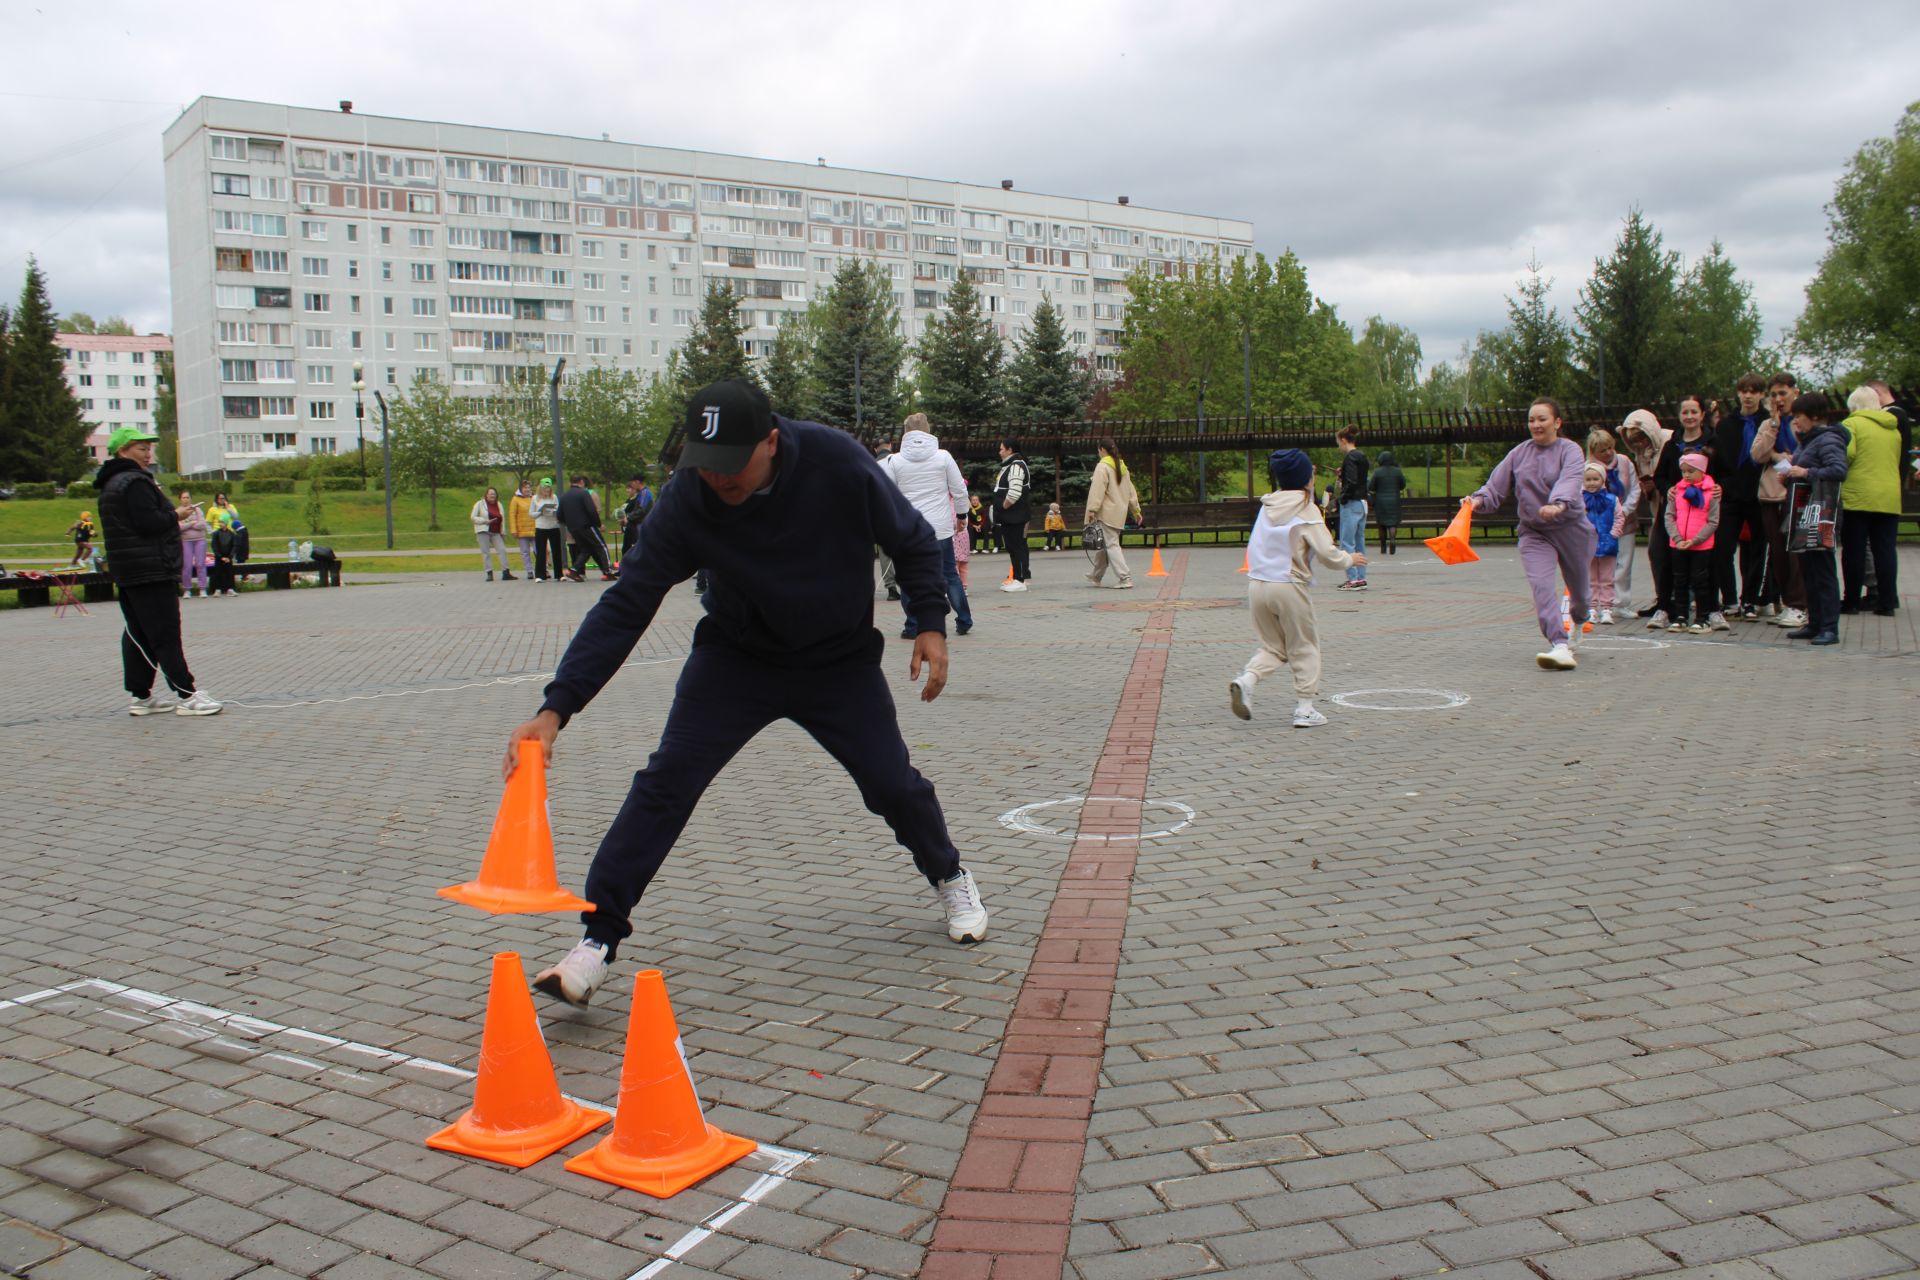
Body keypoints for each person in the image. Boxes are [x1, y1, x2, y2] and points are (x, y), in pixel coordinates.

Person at [507, 380, 989, 1008]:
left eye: (732, 467)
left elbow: (912, 541)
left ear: (771, 441)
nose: (719, 481)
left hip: (836, 662)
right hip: (736, 660)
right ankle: (595, 943)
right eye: (705, 468)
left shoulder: (836, 462)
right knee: (665, 782)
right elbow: (627, 603)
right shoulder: (688, 499)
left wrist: (930, 623)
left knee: (891, 783)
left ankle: (949, 874)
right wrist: (555, 710)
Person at [1228, 449, 1365, 728]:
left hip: (1257, 585)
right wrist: (1350, 559)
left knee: (1274, 646)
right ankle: (1305, 708)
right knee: (1304, 645)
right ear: (1305, 478)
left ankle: (1247, 680)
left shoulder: (1267, 506)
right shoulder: (1306, 508)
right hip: (1288, 585)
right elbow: (1327, 554)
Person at [94, 427, 221, 716]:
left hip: (128, 568)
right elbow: (148, 523)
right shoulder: (135, 482)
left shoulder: (111, 483)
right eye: (141, 448)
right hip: (150, 568)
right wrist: (175, 514)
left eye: (149, 448)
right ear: (123, 450)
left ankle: (141, 696)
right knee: (164, 631)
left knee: (137, 632)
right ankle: (188, 695)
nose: (148, 453)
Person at [1466, 398, 1595, 670]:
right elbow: (1495, 485)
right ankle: (1559, 644)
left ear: (1557, 423)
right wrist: (1477, 501)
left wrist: (1558, 504)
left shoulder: (1570, 450)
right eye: (1531, 420)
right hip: (1535, 532)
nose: (1535, 425)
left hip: (1571, 528)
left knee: (1581, 593)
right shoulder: (1519, 453)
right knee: (1542, 587)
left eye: (1542, 419)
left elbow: (1571, 480)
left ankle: (1579, 621)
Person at [881, 414, 973, 638]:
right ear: (928, 430)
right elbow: (959, 489)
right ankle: (964, 619)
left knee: (909, 577)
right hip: (940, 528)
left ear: (905, 433)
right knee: (949, 574)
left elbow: (886, 495)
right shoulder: (943, 457)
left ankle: (913, 625)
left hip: (910, 529)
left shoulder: (895, 461)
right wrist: (962, 515)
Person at [1783, 392, 1849, 645]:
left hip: (1822, 513)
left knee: (1822, 569)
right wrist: (1791, 475)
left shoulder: (1828, 439)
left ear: (1814, 416)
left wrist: (1806, 471)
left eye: (1799, 416)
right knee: (1808, 570)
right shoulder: (1808, 440)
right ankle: (1815, 622)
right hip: (1806, 510)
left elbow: (1838, 470)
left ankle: (1829, 627)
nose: (1796, 421)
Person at [1645, 395, 1715, 630]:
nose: (1689, 417)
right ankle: (1667, 608)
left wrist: (1716, 488)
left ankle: (1708, 612)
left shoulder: (1712, 441)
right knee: (1663, 557)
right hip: (1674, 512)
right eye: (1685, 412)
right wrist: (1669, 490)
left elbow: (1724, 471)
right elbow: (1659, 476)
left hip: (1702, 513)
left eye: (1694, 412)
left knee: (1700, 569)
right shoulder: (1672, 444)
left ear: (1702, 414)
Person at [1712, 374, 1772, 617]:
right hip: (1731, 494)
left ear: (1761, 395)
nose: (1748, 396)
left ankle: (1750, 599)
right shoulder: (1726, 425)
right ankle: (1729, 599)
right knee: (1723, 548)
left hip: (1759, 493)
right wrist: (1722, 485)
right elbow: (1719, 459)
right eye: (1744, 391)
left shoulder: (1768, 423)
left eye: (1753, 391)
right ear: (1738, 393)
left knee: (1758, 548)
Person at [1838, 385, 1901, 616]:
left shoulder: (1851, 424)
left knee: (1854, 550)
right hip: (1889, 497)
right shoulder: (1892, 428)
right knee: (1885, 551)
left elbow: (1847, 455)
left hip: (1859, 496)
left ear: (1853, 405)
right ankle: (1887, 602)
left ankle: (1851, 601)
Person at [1618, 409, 1670, 619]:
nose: (1638, 443)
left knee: (1675, 555)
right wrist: (1648, 488)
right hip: (1658, 508)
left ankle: (1681, 600)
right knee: (1656, 553)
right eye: (1633, 440)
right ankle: (1663, 599)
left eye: (1641, 438)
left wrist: (1657, 483)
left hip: (1677, 508)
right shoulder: (1640, 453)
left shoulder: (1668, 442)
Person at [1664, 453, 1721, 634]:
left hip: (1701, 546)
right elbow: (1669, 516)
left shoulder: (1711, 492)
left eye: (1691, 471)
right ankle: (1681, 616)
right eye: (1683, 472)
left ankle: (1702, 617)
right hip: (1679, 544)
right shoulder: (1677, 491)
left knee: (1700, 581)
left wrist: (1696, 540)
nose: (1686, 475)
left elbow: (1713, 521)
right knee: (1679, 580)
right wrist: (1678, 539)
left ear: (1702, 471)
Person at [1586, 429, 1639, 612]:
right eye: (1602, 450)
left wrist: (1622, 512)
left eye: (1610, 448)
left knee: (1624, 563)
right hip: (1598, 526)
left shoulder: (1624, 462)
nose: (1608, 453)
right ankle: (1597, 603)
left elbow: (1635, 489)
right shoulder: (1588, 468)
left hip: (1625, 519)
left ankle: (1621, 603)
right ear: (1593, 452)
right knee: (1599, 567)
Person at [1084, 438, 1142, 589]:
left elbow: (1097, 490)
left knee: (1111, 545)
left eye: (1098, 450)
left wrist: (1092, 509)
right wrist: (1136, 510)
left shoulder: (1102, 467)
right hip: (1119, 513)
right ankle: (1096, 576)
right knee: (1105, 545)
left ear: (1102, 449)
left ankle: (1125, 577)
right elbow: (1131, 491)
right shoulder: (1122, 466)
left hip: (1106, 513)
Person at [993, 439, 1034, 591]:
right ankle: (1016, 577)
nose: (1000, 452)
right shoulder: (1010, 465)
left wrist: (1004, 506)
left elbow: (1015, 491)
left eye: (1001, 449)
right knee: (1013, 547)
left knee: (1017, 547)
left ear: (1010, 450)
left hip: (1015, 516)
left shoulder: (1016, 465)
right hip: (1010, 517)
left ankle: (1020, 579)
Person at [1582, 463, 1620, 625]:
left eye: (1595, 479)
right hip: (1587, 545)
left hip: (1607, 543)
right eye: (1588, 479)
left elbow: (1620, 517)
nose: (1591, 483)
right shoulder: (1580, 500)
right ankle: (1591, 608)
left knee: (1607, 578)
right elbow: (1575, 520)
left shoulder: (1612, 499)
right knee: (1590, 578)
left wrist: (1614, 534)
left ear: (1602, 480)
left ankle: (1606, 608)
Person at [559, 475, 615, 581]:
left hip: (573, 528)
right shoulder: (583, 493)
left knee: (586, 549)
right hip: (587, 526)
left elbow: (559, 515)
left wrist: (570, 523)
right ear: (581, 482)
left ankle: (574, 570)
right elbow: (591, 511)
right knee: (601, 546)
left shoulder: (564, 496)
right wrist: (598, 524)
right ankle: (608, 572)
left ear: (570, 483)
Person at [1333, 427, 1369, 589]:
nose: (1339, 446)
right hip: (1362, 503)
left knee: (1347, 542)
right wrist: (1343, 474)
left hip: (1351, 503)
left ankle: (1352, 579)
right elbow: (1359, 478)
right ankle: (1361, 577)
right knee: (1359, 541)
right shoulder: (1361, 456)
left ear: (1343, 440)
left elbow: (1352, 481)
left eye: (1338, 442)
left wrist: (1342, 498)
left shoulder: (1350, 457)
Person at [872, 444, 900, 601]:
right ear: (889, 446)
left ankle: (891, 588)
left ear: (876, 450)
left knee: (885, 554)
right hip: (899, 511)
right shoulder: (897, 461)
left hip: (880, 516)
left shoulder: (871, 465)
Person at [1366, 449, 1406, 556]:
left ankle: (1383, 547)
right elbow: (1403, 485)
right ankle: (1392, 539)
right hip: (1394, 500)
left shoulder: (1377, 472)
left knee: (1382, 524)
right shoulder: (1397, 471)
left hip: (1381, 501)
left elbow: (1370, 487)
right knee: (1392, 523)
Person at [470, 486, 515, 581]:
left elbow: (502, 520)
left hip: (496, 532)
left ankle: (506, 572)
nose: (492, 495)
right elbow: (473, 517)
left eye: (494, 494)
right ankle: (489, 573)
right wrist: (485, 521)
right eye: (490, 493)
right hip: (483, 531)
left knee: (502, 550)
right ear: (486, 495)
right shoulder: (479, 504)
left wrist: (503, 532)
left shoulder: (499, 504)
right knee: (486, 552)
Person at [176, 489, 210, 599]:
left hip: (200, 539)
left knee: (200, 564)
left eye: (188, 497)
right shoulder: (178, 511)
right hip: (186, 541)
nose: (186, 499)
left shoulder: (197, 510)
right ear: (180, 499)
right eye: (184, 497)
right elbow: (179, 527)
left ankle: (202, 588)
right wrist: (191, 523)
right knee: (187, 565)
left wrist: (190, 525)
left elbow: (202, 525)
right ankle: (187, 589)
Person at [529, 478, 563, 581]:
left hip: (553, 526)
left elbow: (558, 510)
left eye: (548, 488)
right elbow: (531, 514)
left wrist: (554, 512)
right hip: (541, 527)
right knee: (541, 551)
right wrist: (540, 512)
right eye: (545, 488)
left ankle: (559, 574)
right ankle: (540, 575)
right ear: (541, 488)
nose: (547, 490)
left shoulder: (554, 497)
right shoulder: (535, 498)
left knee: (556, 550)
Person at [619, 472, 654, 565]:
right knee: (627, 548)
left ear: (638, 482)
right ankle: (625, 567)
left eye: (633, 483)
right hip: (633, 524)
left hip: (640, 525)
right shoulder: (640, 494)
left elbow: (642, 510)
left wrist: (629, 517)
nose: (632, 485)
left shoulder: (645, 493)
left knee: (639, 548)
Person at [508, 480, 537, 581]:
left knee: (538, 550)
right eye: (525, 488)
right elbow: (512, 515)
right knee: (525, 552)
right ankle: (529, 571)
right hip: (522, 530)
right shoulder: (515, 499)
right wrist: (513, 530)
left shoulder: (533, 498)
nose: (527, 489)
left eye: (528, 487)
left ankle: (541, 569)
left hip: (534, 529)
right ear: (521, 489)